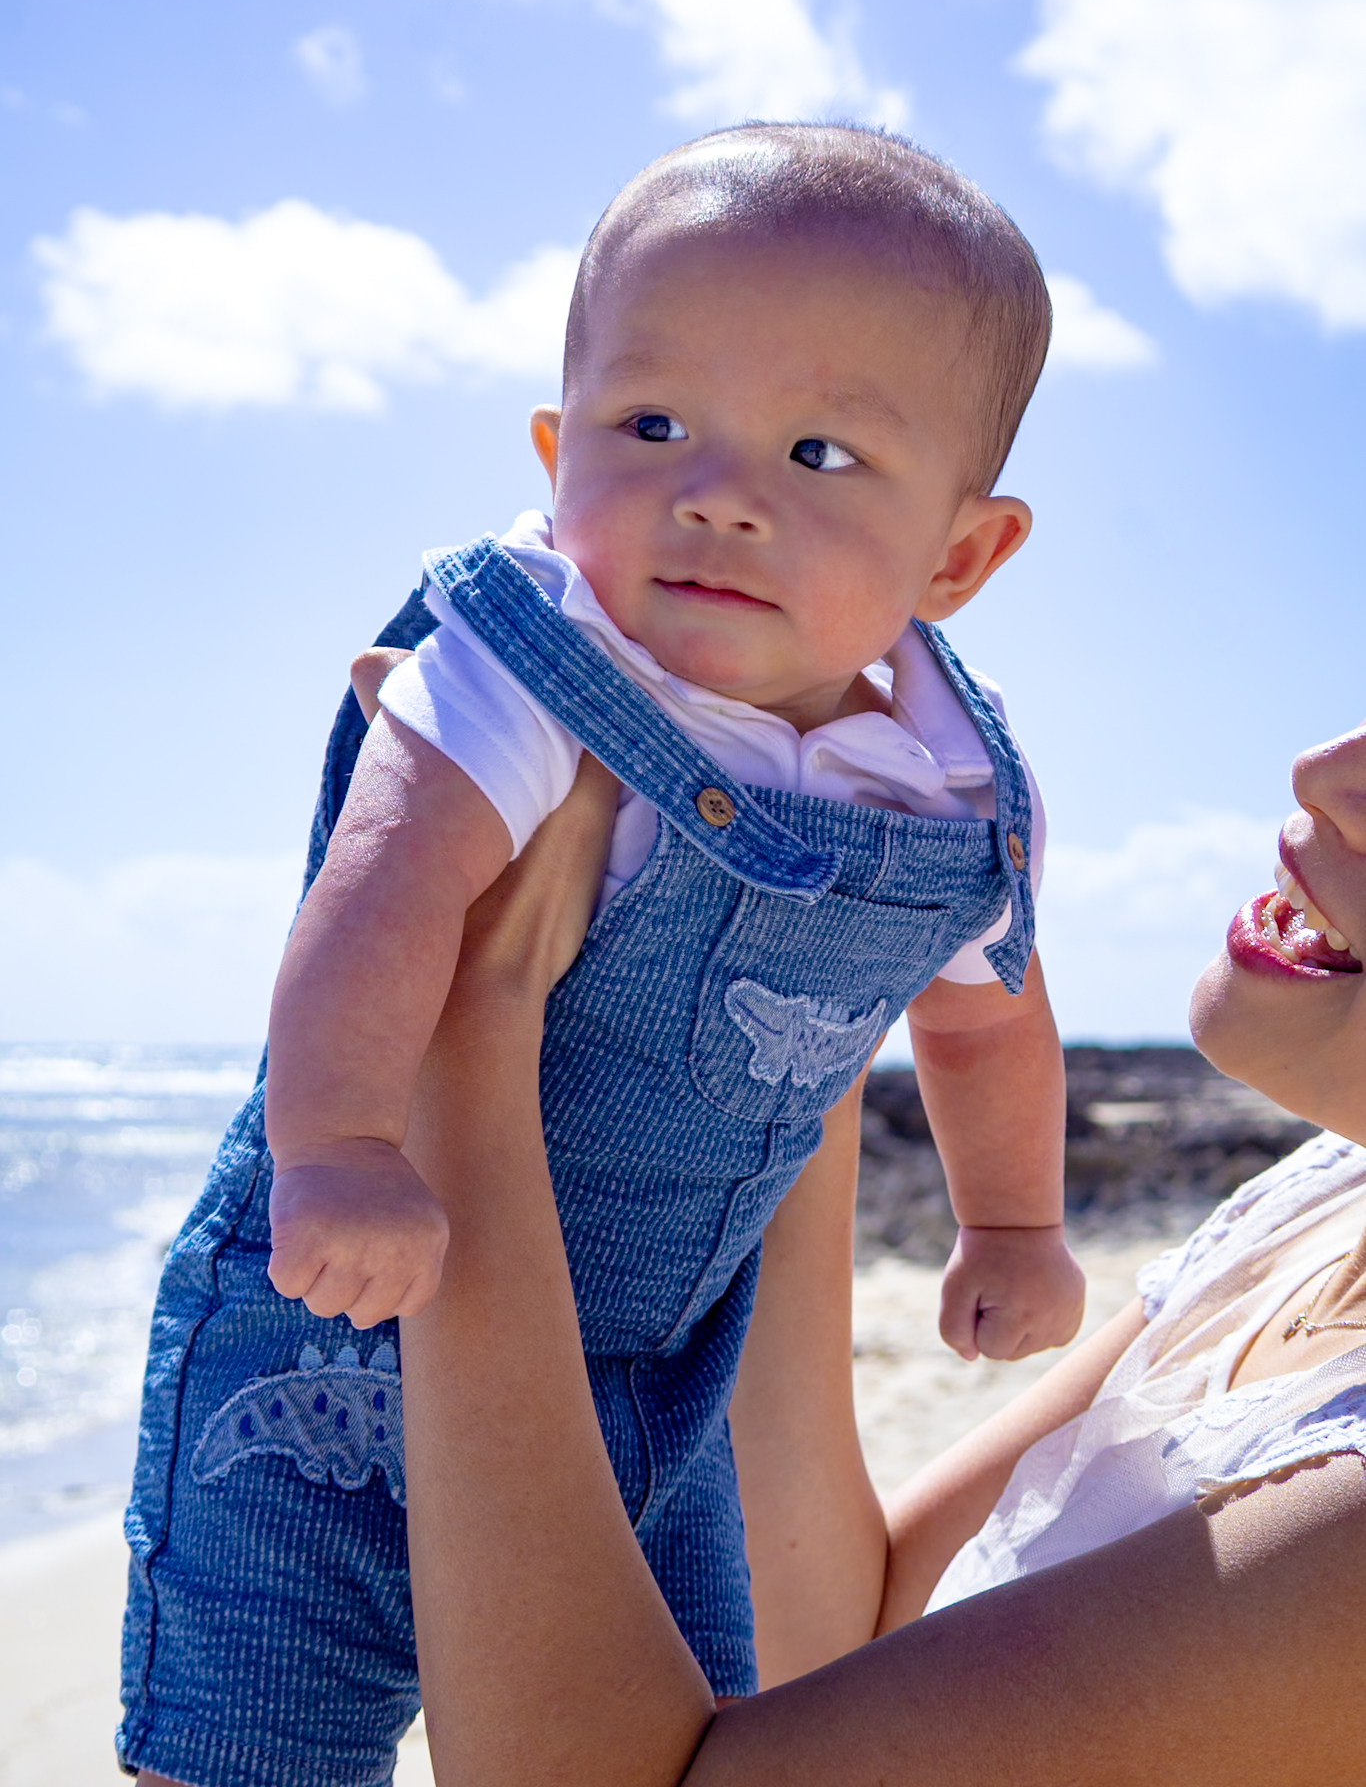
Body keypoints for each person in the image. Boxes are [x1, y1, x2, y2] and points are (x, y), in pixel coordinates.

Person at [121, 124, 1085, 1782]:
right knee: (250, 1747)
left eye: (822, 454)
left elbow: (987, 1024)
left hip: (657, 1382)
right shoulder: (529, 663)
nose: (718, 488)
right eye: (653, 426)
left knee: (682, 1738)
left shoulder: (948, 788)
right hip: (331, 1354)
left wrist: (1014, 1215)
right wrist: (338, 1146)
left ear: (959, 556)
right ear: (558, 451)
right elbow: (379, 897)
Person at [396, 713, 1366, 1784]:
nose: (1324, 769)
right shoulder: (1327, 1195)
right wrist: (813, 1004)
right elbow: (846, 1624)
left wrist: (459, 994)